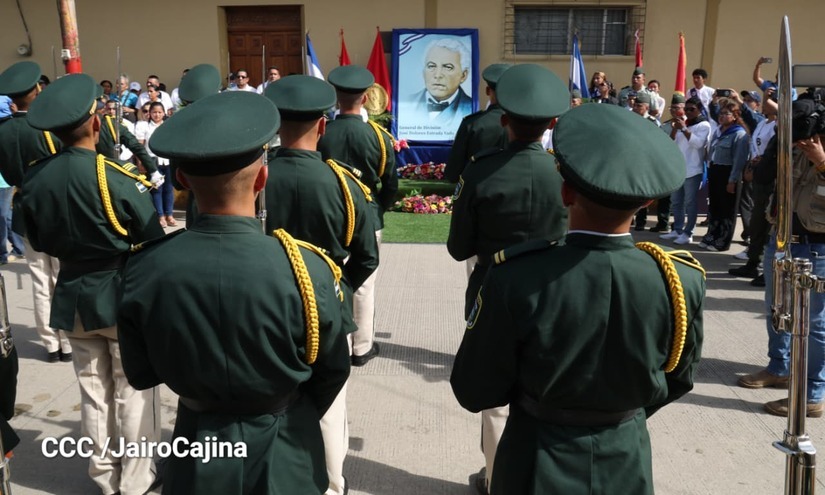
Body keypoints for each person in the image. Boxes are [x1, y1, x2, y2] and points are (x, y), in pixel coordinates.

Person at [451, 102, 705, 494]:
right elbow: (678, 377)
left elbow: (474, 388)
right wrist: (615, 412)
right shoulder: (680, 280)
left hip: (534, 456)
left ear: (565, 191)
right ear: (648, 202)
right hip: (626, 454)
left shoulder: (515, 277)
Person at [118, 89, 351, 494]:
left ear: (181, 179)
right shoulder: (306, 268)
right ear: (263, 176)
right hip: (286, 449)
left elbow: (141, 373)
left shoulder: (144, 268)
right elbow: (332, 370)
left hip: (196, 447)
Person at [21, 73, 163, 495]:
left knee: (93, 394)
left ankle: (104, 478)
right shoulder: (114, 177)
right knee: (132, 393)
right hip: (121, 295)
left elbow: (39, 241)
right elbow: (152, 242)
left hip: (75, 296)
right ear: (97, 124)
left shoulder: (36, 177)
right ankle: (137, 480)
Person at [447, 64, 570, 495]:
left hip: (493, 290)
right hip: (555, 292)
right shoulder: (565, 172)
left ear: (504, 119)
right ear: (553, 124)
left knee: (498, 398)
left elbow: (459, 248)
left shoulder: (480, 171)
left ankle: (498, 480)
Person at [264, 75, 379, 495]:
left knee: (271, 401)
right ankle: (332, 485)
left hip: (266, 307)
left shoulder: (255, 177)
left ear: (275, 122)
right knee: (329, 405)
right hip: (324, 310)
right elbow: (367, 256)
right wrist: (337, 291)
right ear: (323, 126)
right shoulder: (344, 184)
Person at [738, 93, 825, 418]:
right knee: (778, 308)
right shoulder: (790, 141)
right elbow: (766, 178)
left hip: (818, 244)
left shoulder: (818, 147)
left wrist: (821, 160)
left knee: (814, 324)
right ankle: (779, 368)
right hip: (785, 237)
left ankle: (812, 394)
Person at [318, 65, 399, 368]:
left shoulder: (321, 132)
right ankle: (362, 347)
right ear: (365, 98)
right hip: (367, 216)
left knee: (331, 277)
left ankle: (338, 342)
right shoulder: (377, 136)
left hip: (330, 213)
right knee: (364, 284)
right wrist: (378, 208)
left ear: (336, 98)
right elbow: (390, 183)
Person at [0, 61, 71, 362]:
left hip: (24, 208)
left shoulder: (2, 130)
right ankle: (66, 341)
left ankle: (50, 342)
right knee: (61, 276)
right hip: (52, 208)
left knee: (40, 280)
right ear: (37, 90)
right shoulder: (44, 128)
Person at [444, 63, 510, 183]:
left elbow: (452, 173)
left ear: (487, 91)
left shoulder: (472, 124)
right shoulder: (522, 123)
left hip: (479, 193)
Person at [660, 95, 712, 246]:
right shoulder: (684, 123)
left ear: (699, 110)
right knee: (676, 202)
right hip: (679, 168)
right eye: (686, 109)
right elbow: (672, 143)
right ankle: (677, 229)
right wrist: (676, 130)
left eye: (692, 109)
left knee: (690, 202)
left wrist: (683, 128)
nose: (688, 112)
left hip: (693, 169)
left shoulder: (704, 125)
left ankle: (688, 232)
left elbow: (698, 144)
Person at [700, 100, 750, 251]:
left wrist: (732, 180)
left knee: (727, 209)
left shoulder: (739, 135)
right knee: (714, 206)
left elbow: (739, 160)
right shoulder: (719, 131)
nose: (722, 116)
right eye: (720, 113)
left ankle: (723, 240)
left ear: (735, 116)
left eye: (726, 114)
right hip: (715, 171)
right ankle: (712, 235)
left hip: (728, 173)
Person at [96, 98, 163, 187]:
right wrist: (153, 171)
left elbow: (135, 146)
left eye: (114, 109)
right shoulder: (108, 124)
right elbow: (136, 146)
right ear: (103, 110)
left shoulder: (121, 124)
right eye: (109, 109)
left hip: (121, 161)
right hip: (105, 167)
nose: (111, 111)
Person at [410, 37, 473, 126]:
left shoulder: (471, 108)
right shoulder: (406, 103)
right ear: (423, 72)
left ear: (463, 75)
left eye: (448, 67)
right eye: (431, 66)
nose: (438, 75)